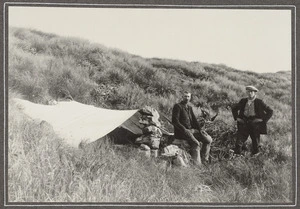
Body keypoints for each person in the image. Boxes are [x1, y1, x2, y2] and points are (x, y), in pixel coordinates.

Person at [172, 91, 212, 165]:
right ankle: (197, 165)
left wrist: (200, 130)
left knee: (208, 139)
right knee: (196, 143)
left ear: (190, 98)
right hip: (182, 132)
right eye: (185, 96)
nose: (186, 98)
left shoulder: (189, 108)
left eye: (188, 96)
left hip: (192, 131)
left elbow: (194, 121)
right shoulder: (177, 106)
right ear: (182, 97)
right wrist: (184, 130)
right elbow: (175, 121)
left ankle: (204, 160)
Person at [232, 85, 273, 156]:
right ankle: (237, 156)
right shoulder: (243, 101)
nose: (249, 93)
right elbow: (234, 108)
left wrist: (262, 120)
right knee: (239, 142)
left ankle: (255, 158)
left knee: (255, 143)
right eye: (248, 92)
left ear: (255, 93)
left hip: (254, 125)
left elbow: (270, 111)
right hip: (243, 123)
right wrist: (237, 118)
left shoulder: (259, 102)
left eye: (251, 92)